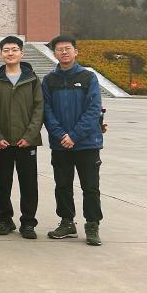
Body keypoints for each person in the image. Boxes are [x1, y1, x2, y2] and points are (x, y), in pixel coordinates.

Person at [42, 35, 104, 246]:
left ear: (75, 51)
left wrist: (74, 136)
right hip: (60, 144)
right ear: (54, 53)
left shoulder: (88, 77)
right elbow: (46, 111)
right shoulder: (49, 80)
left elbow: (93, 109)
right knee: (62, 185)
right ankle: (67, 223)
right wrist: (61, 135)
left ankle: (92, 225)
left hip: (87, 143)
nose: (64, 52)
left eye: (67, 48)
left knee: (90, 187)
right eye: (59, 49)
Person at [0, 36, 43, 240]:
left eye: (14, 49)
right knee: (3, 183)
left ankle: (28, 223)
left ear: (22, 53)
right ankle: (4, 220)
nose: (10, 53)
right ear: (1, 54)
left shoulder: (32, 79)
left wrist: (29, 136)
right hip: (3, 142)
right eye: (6, 50)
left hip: (26, 142)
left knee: (28, 184)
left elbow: (39, 108)